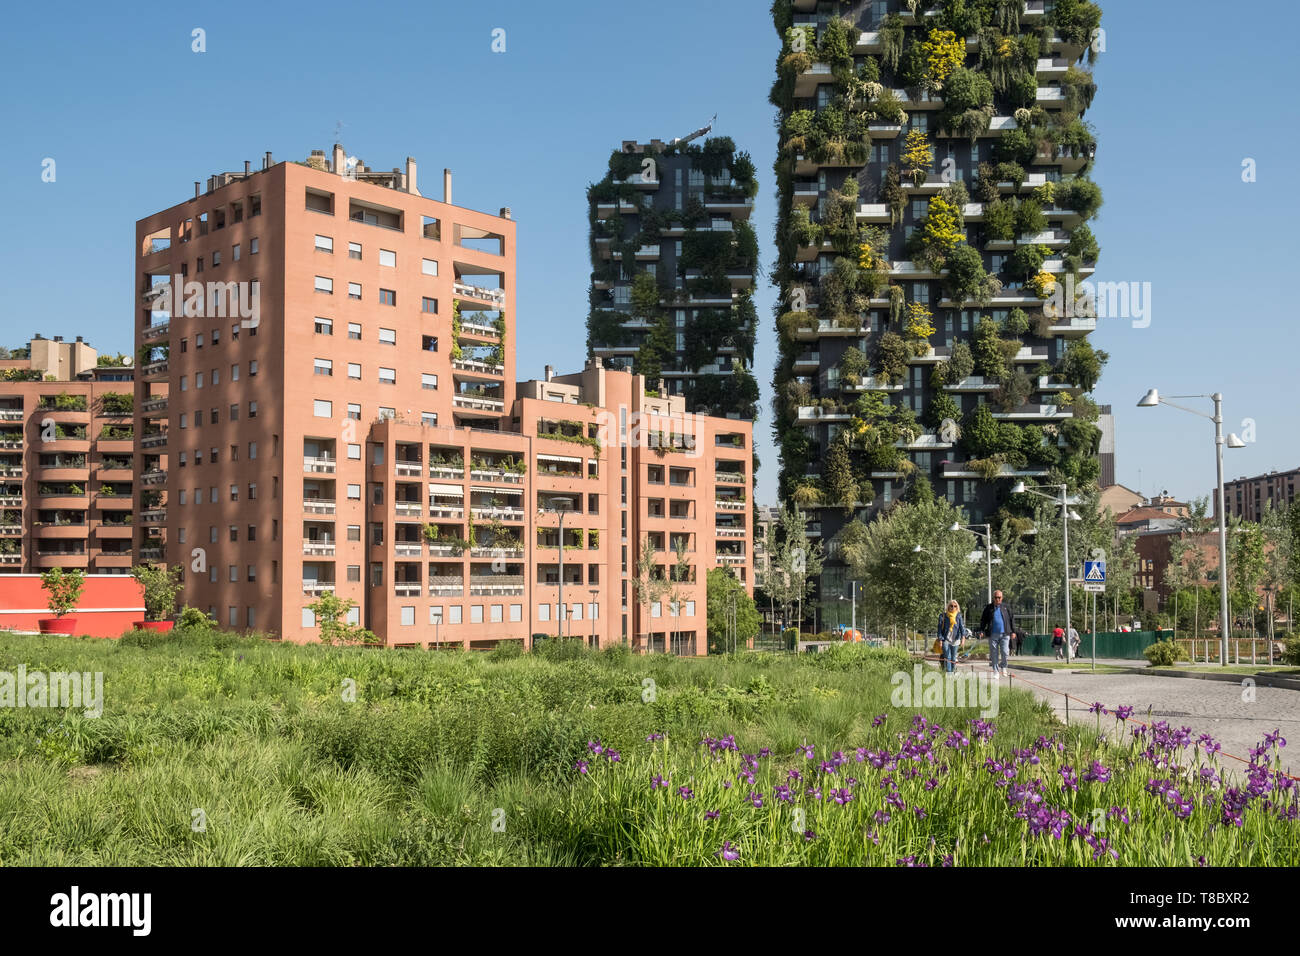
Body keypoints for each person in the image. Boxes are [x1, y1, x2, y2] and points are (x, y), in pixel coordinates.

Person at [979, 590, 1016, 678]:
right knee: (994, 654)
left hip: (1005, 634)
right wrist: (981, 630)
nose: (997, 599)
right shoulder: (989, 608)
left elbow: (1012, 619)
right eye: (996, 597)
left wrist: (1013, 631)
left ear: (1002, 598)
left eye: (999, 597)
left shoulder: (1006, 607)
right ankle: (995, 671)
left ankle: (1004, 667)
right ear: (993, 598)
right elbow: (983, 620)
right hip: (993, 635)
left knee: (1005, 652)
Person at [937, 600, 965, 674]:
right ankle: (949, 673)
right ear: (948, 606)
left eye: (955, 606)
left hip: (955, 640)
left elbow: (962, 628)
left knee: (953, 657)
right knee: (947, 657)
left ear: (957, 607)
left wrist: (963, 639)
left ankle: (953, 671)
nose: (953, 607)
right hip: (945, 639)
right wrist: (940, 640)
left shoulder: (958, 616)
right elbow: (939, 629)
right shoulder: (942, 616)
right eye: (951, 606)